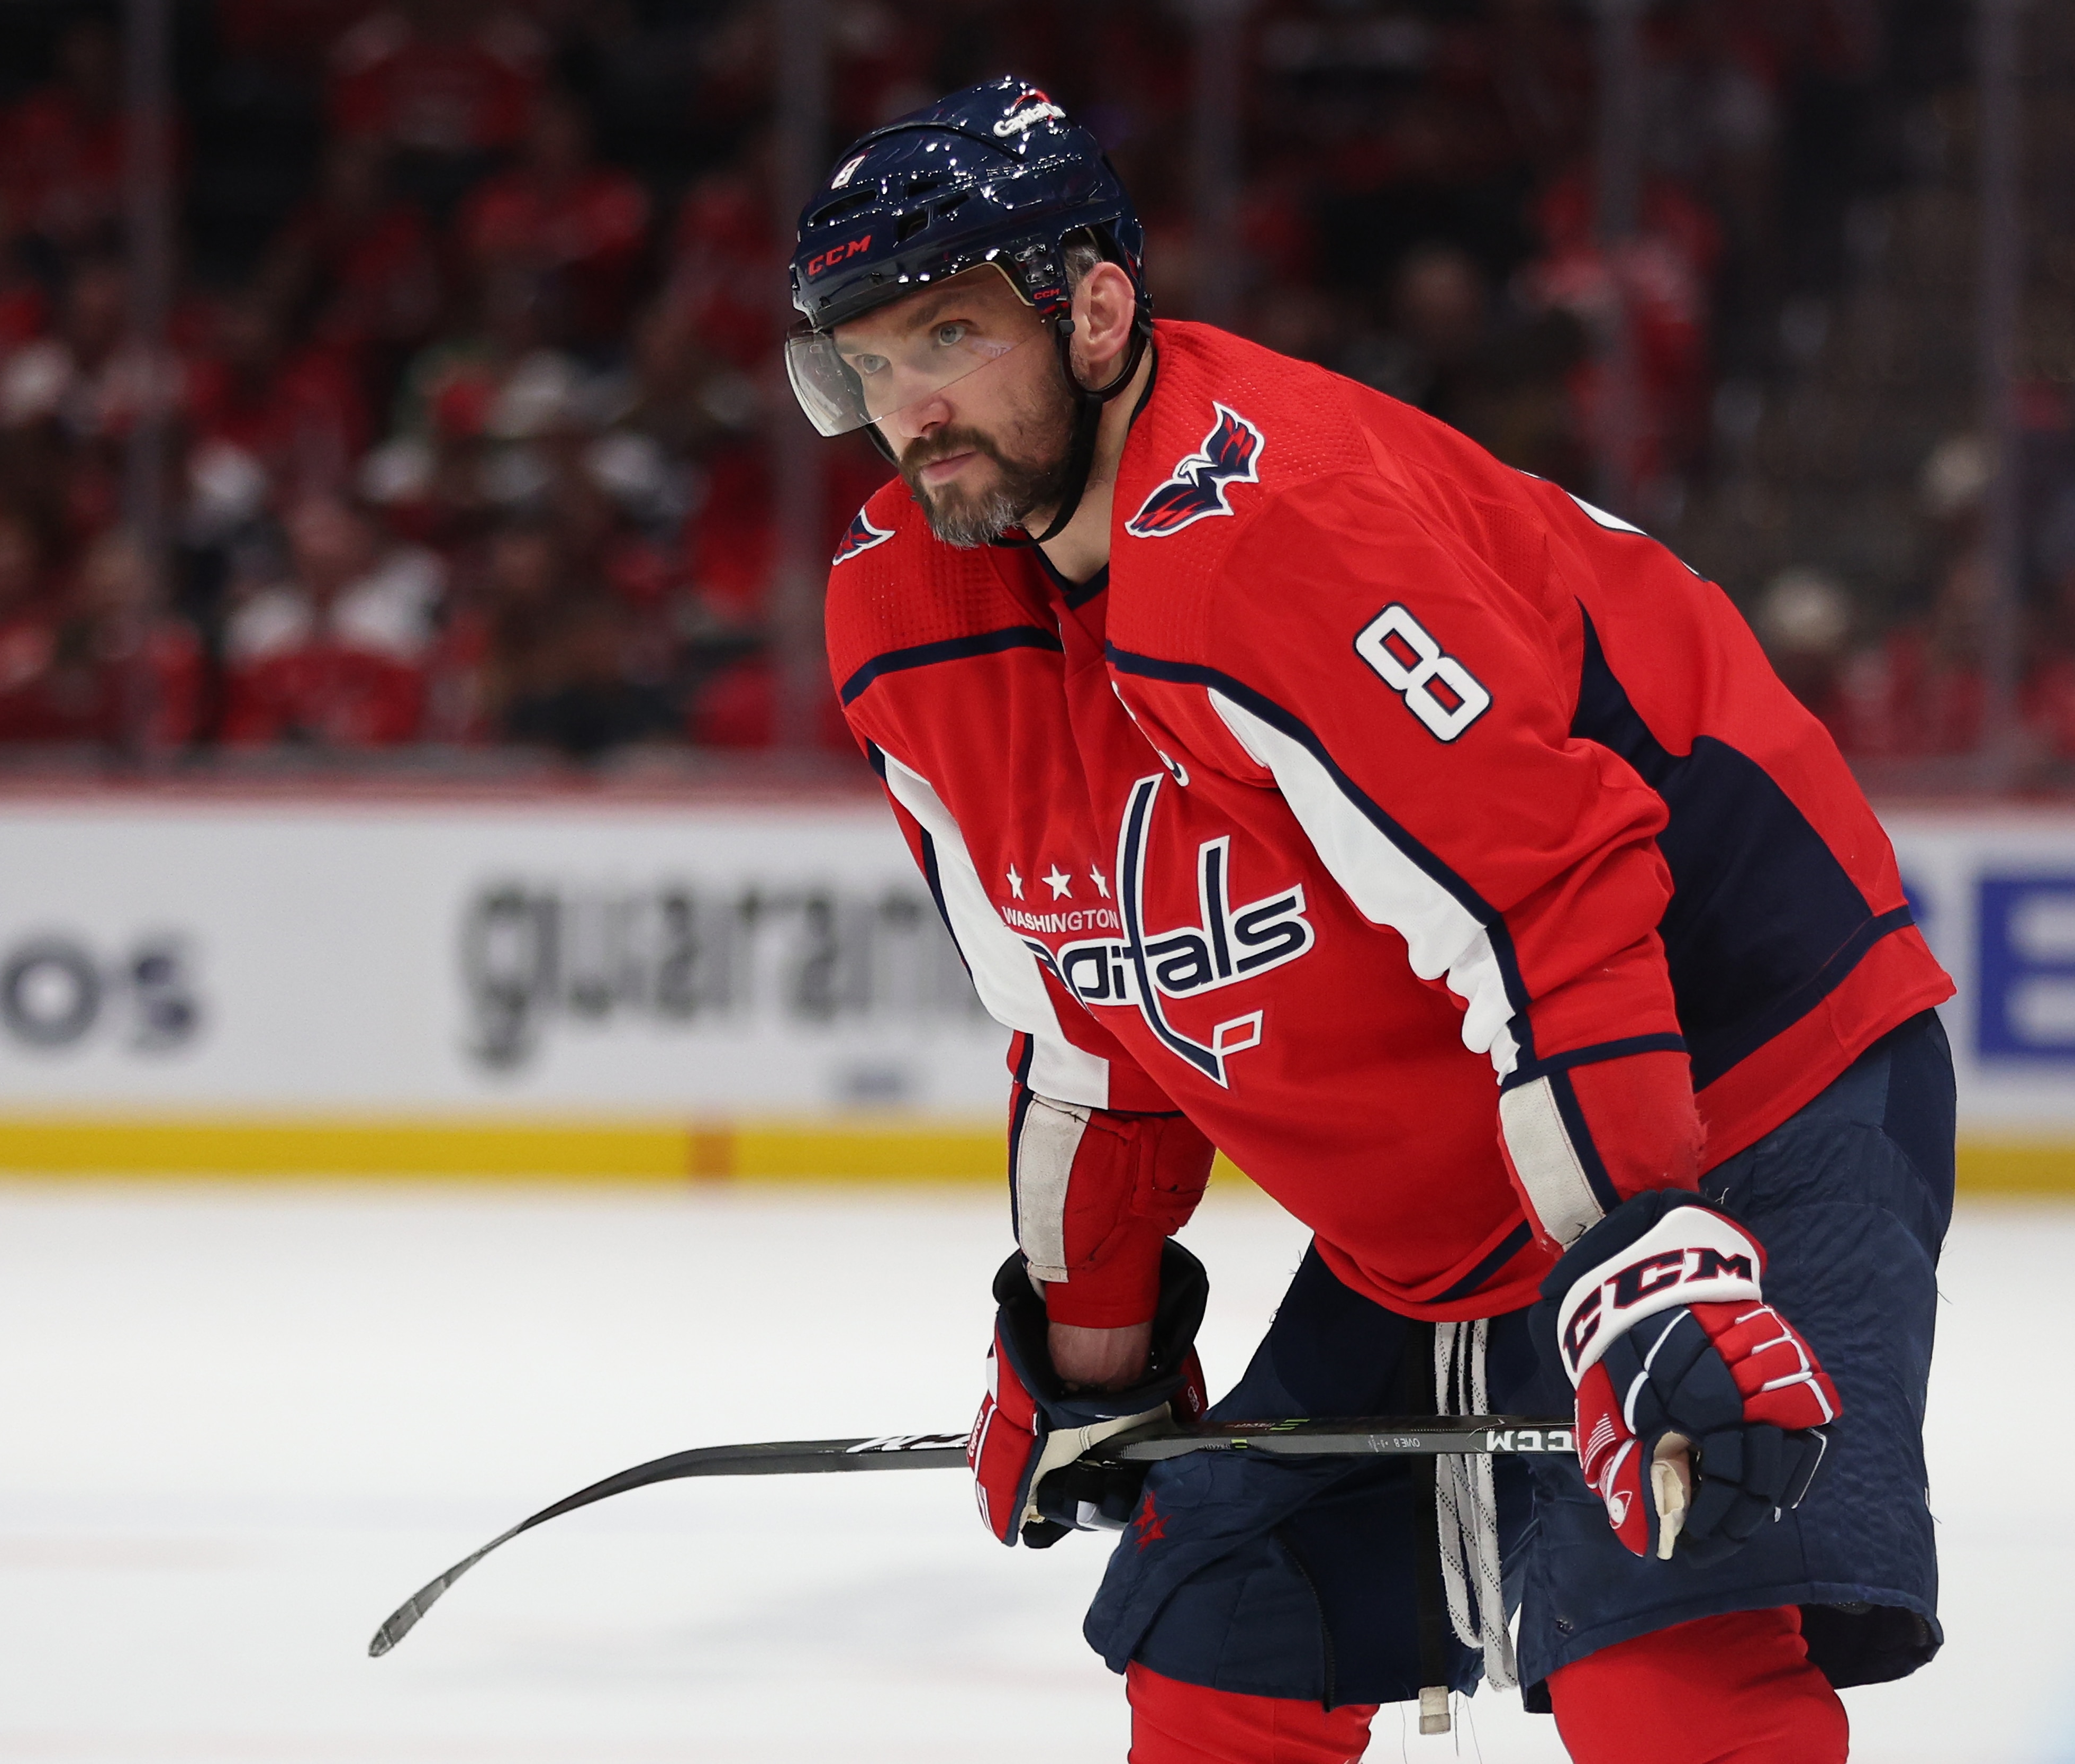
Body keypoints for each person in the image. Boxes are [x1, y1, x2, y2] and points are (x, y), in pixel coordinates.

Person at [788, 79, 1951, 1763]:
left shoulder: (1274, 534)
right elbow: (1086, 1025)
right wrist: (1090, 1350)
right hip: (1482, 1144)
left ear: (1096, 307)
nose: (913, 407)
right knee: (1229, 1650)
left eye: (950, 334)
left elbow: (1547, 887)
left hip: (1733, 1082)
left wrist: (1653, 1260)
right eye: (870, 361)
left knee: (1665, 1646)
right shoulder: (905, 618)